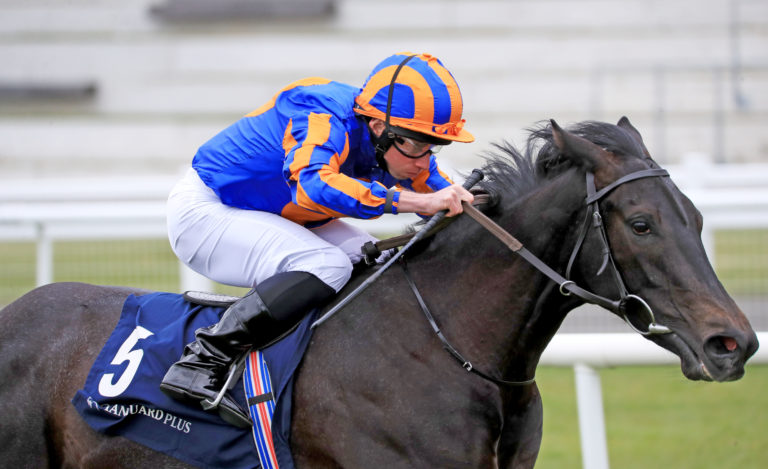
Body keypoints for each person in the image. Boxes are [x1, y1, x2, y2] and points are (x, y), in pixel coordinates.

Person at [160, 52, 475, 427]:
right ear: (378, 127)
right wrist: (411, 201)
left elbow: (442, 193)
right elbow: (313, 186)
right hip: (208, 211)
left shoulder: (394, 140)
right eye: (416, 144)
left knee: (372, 262)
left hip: (275, 213)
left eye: (433, 146)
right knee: (329, 264)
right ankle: (203, 359)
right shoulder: (320, 110)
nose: (424, 160)